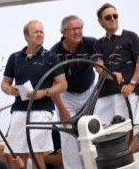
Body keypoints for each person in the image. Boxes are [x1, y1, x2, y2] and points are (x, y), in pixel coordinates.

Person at [0, 20, 67, 169]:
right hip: (18, 110)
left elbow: (63, 84)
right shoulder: (14, 58)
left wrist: (43, 93)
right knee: (18, 155)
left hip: (41, 111)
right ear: (26, 36)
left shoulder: (51, 57)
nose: (40, 34)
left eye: (41, 31)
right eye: (36, 32)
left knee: (35, 153)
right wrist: (10, 90)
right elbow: (4, 84)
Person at [50, 15, 97, 169]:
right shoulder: (54, 53)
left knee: (90, 130)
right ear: (64, 32)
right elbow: (53, 85)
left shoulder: (91, 43)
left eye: (80, 28)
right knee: (67, 135)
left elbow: (110, 52)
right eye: (73, 29)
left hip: (88, 92)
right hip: (65, 96)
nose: (78, 32)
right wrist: (62, 110)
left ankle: (93, 165)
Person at [92, 3, 139, 125]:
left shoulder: (130, 36)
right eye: (108, 17)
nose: (112, 19)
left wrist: (132, 85)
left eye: (115, 16)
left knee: (123, 129)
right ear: (100, 22)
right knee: (96, 130)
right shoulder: (98, 43)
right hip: (104, 93)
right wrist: (111, 75)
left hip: (127, 91)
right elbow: (99, 67)